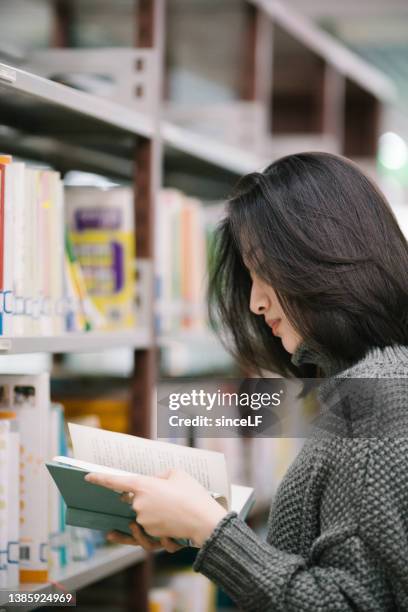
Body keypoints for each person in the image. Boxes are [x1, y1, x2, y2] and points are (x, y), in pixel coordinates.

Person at [86, 152, 408, 611]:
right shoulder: (376, 384)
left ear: (323, 257)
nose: (255, 302)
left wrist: (212, 533)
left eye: (263, 271)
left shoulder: (379, 397)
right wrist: (198, 522)